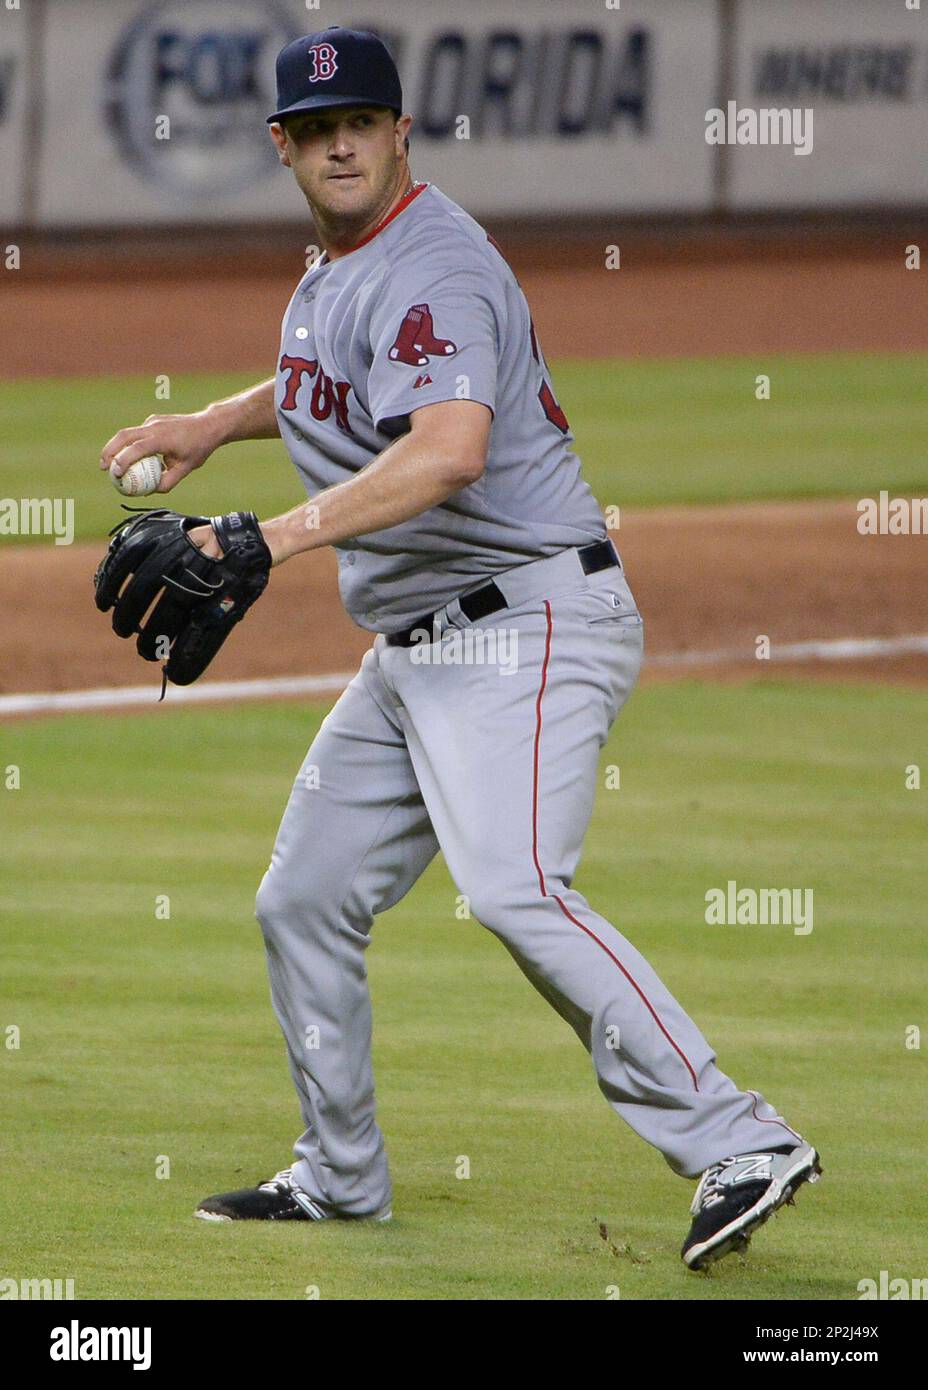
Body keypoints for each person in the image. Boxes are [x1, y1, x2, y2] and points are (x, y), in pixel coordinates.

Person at [100, 27, 820, 1270]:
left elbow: (447, 450)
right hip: (417, 648)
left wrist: (262, 538)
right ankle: (339, 1177)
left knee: (513, 886)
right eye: (316, 129)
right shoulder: (339, 265)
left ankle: (738, 1136)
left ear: (399, 135)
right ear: (282, 144)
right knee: (304, 897)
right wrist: (214, 420)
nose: (340, 145)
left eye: (362, 124)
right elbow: (327, 374)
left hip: (527, 624)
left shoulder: (434, 261)